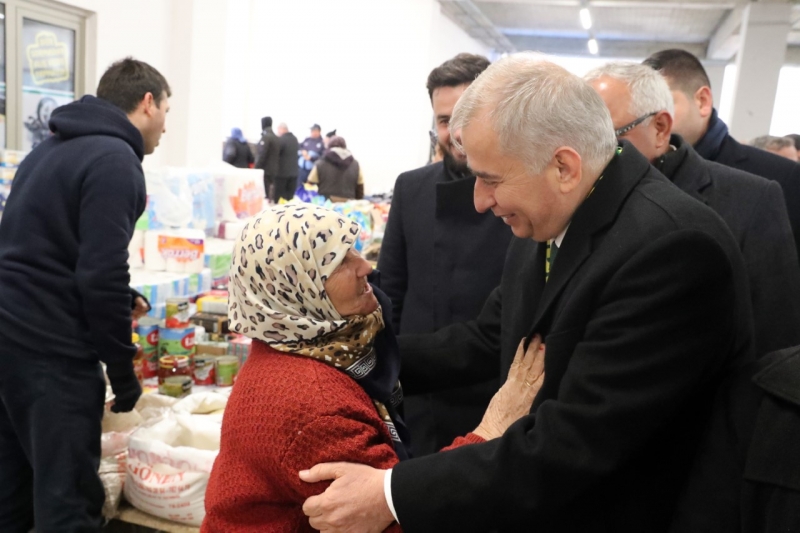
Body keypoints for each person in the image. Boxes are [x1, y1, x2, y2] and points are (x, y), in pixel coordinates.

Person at [298, 54, 754, 532]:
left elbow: (574, 443)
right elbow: (488, 340)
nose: (479, 200)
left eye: (491, 179)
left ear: (563, 167)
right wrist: (350, 359)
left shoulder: (670, 250)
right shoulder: (555, 218)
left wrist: (390, 494)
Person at [201, 204, 546, 533]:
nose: (365, 266)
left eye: (353, 249)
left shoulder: (295, 344)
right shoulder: (316, 406)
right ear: (298, 289)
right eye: (339, 261)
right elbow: (396, 520)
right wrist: (490, 430)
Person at [0, 57, 170, 531]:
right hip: (51, 354)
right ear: (147, 102)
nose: (163, 128)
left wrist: (121, 292)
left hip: (10, 340)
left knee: (13, 493)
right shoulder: (116, 160)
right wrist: (123, 370)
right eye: (166, 113)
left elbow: (39, 248)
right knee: (67, 504)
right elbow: (100, 274)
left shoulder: (49, 149)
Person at [585, 61, 800, 359]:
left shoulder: (751, 199)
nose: (593, 159)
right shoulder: (582, 196)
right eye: (583, 143)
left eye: (610, 141)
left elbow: (776, 338)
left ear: (660, 128)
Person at [377, 53, 513, 456]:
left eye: (465, 114)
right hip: (420, 392)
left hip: (495, 394)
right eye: (442, 119)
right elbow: (391, 290)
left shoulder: (519, 194)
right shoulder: (411, 188)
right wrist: (387, 371)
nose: (454, 131)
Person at [644, 49, 800, 258]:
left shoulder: (780, 177)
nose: (651, 121)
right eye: (642, 110)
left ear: (702, 101)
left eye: (661, 105)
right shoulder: (641, 173)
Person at [307, 136, 364, 201]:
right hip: (348, 206)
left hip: (325, 205)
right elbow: (360, 188)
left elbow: (310, 184)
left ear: (329, 146)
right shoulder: (355, 164)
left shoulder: (320, 163)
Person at [255, 116, 280, 200]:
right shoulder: (276, 138)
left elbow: (262, 154)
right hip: (274, 169)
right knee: (270, 192)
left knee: (264, 193)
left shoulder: (266, 137)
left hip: (265, 170)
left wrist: (256, 168)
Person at [275, 122, 299, 202]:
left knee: (280, 198)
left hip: (282, 174)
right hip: (294, 173)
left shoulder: (281, 140)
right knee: (290, 199)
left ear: (282, 129)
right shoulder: (295, 139)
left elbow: (276, 154)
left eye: (278, 130)